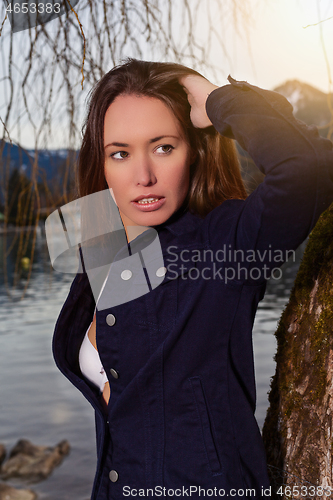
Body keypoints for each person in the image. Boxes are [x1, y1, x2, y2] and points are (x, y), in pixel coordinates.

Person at [52, 58, 333, 500]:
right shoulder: (103, 249)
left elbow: (309, 168)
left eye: (163, 147)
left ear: (195, 150)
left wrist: (214, 97)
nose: (143, 176)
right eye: (120, 153)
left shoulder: (224, 245)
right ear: (102, 163)